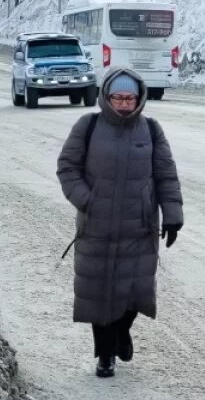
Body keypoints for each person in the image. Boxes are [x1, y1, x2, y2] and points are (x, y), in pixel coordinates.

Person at [56, 68, 184, 378]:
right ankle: (104, 355)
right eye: (118, 97)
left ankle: (122, 332)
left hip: (138, 228)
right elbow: (67, 167)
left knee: (133, 290)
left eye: (130, 98)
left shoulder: (151, 131)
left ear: (139, 99)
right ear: (107, 97)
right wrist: (88, 200)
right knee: (98, 292)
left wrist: (173, 216)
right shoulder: (88, 126)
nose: (124, 104)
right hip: (96, 227)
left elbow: (166, 175)